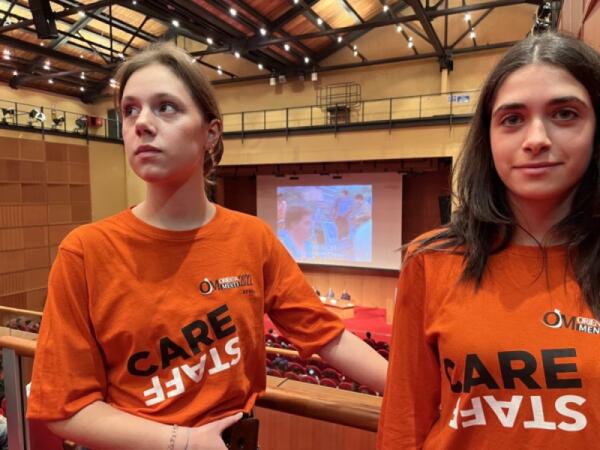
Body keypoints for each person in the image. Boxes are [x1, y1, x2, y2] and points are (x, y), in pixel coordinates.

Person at [26, 42, 387, 450]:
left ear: (211, 132)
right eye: (129, 110)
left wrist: (420, 391)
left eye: (165, 107)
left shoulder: (252, 238)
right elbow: (66, 409)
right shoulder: (85, 252)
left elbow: (329, 338)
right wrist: (183, 442)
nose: (142, 123)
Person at [378, 32, 600, 449]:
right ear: (489, 137)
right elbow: (402, 428)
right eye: (512, 119)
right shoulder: (431, 261)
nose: (536, 139)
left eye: (565, 114)